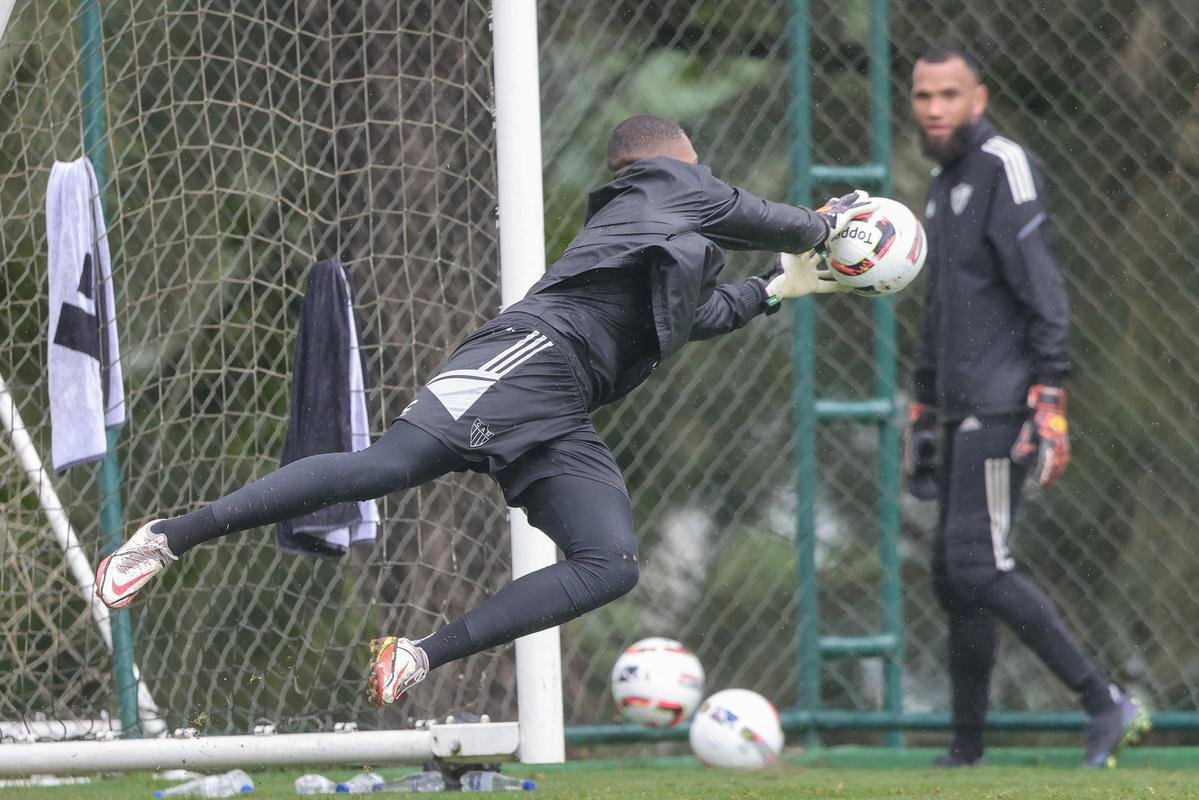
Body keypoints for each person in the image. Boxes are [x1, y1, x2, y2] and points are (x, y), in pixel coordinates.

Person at [95, 114, 869, 707]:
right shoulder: (662, 186)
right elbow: (741, 207)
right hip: (529, 355)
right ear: (671, 162)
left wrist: (776, 286)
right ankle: (166, 539)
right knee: (387, 467)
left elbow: (696, 317)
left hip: (564, 410)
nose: (704, 183)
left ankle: (420, 653)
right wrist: (829, 227)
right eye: (697, 173)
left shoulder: (665, 237)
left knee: (609, 564)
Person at [905, 46, 1149, 768]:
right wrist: (921, 404)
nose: (934, 108)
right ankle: (965, 748)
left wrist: (1050, 393)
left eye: (949, 94)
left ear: (978, 99)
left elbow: (1041, 285)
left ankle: (1105, 703)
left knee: (978, 563)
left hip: (1004, 401)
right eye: (922, 95)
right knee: (953, 577)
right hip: (955, 406)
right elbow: (940, 304)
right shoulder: (938, 181)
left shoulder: (1002, 165)